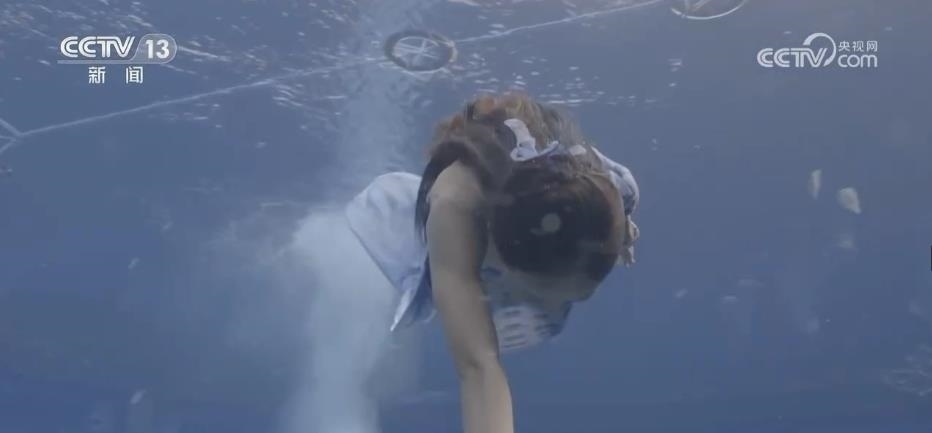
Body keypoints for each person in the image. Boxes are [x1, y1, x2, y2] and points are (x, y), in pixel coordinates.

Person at [345, 93, 640, 433]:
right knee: (448, 294)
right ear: (504, 259)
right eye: (539, 295)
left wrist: (622, 229)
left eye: (572, 298)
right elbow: (478, 367)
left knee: (624, 194)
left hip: (564, 176)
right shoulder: (454, 205)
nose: (551, 312)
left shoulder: (610, 188)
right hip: (471, 201)